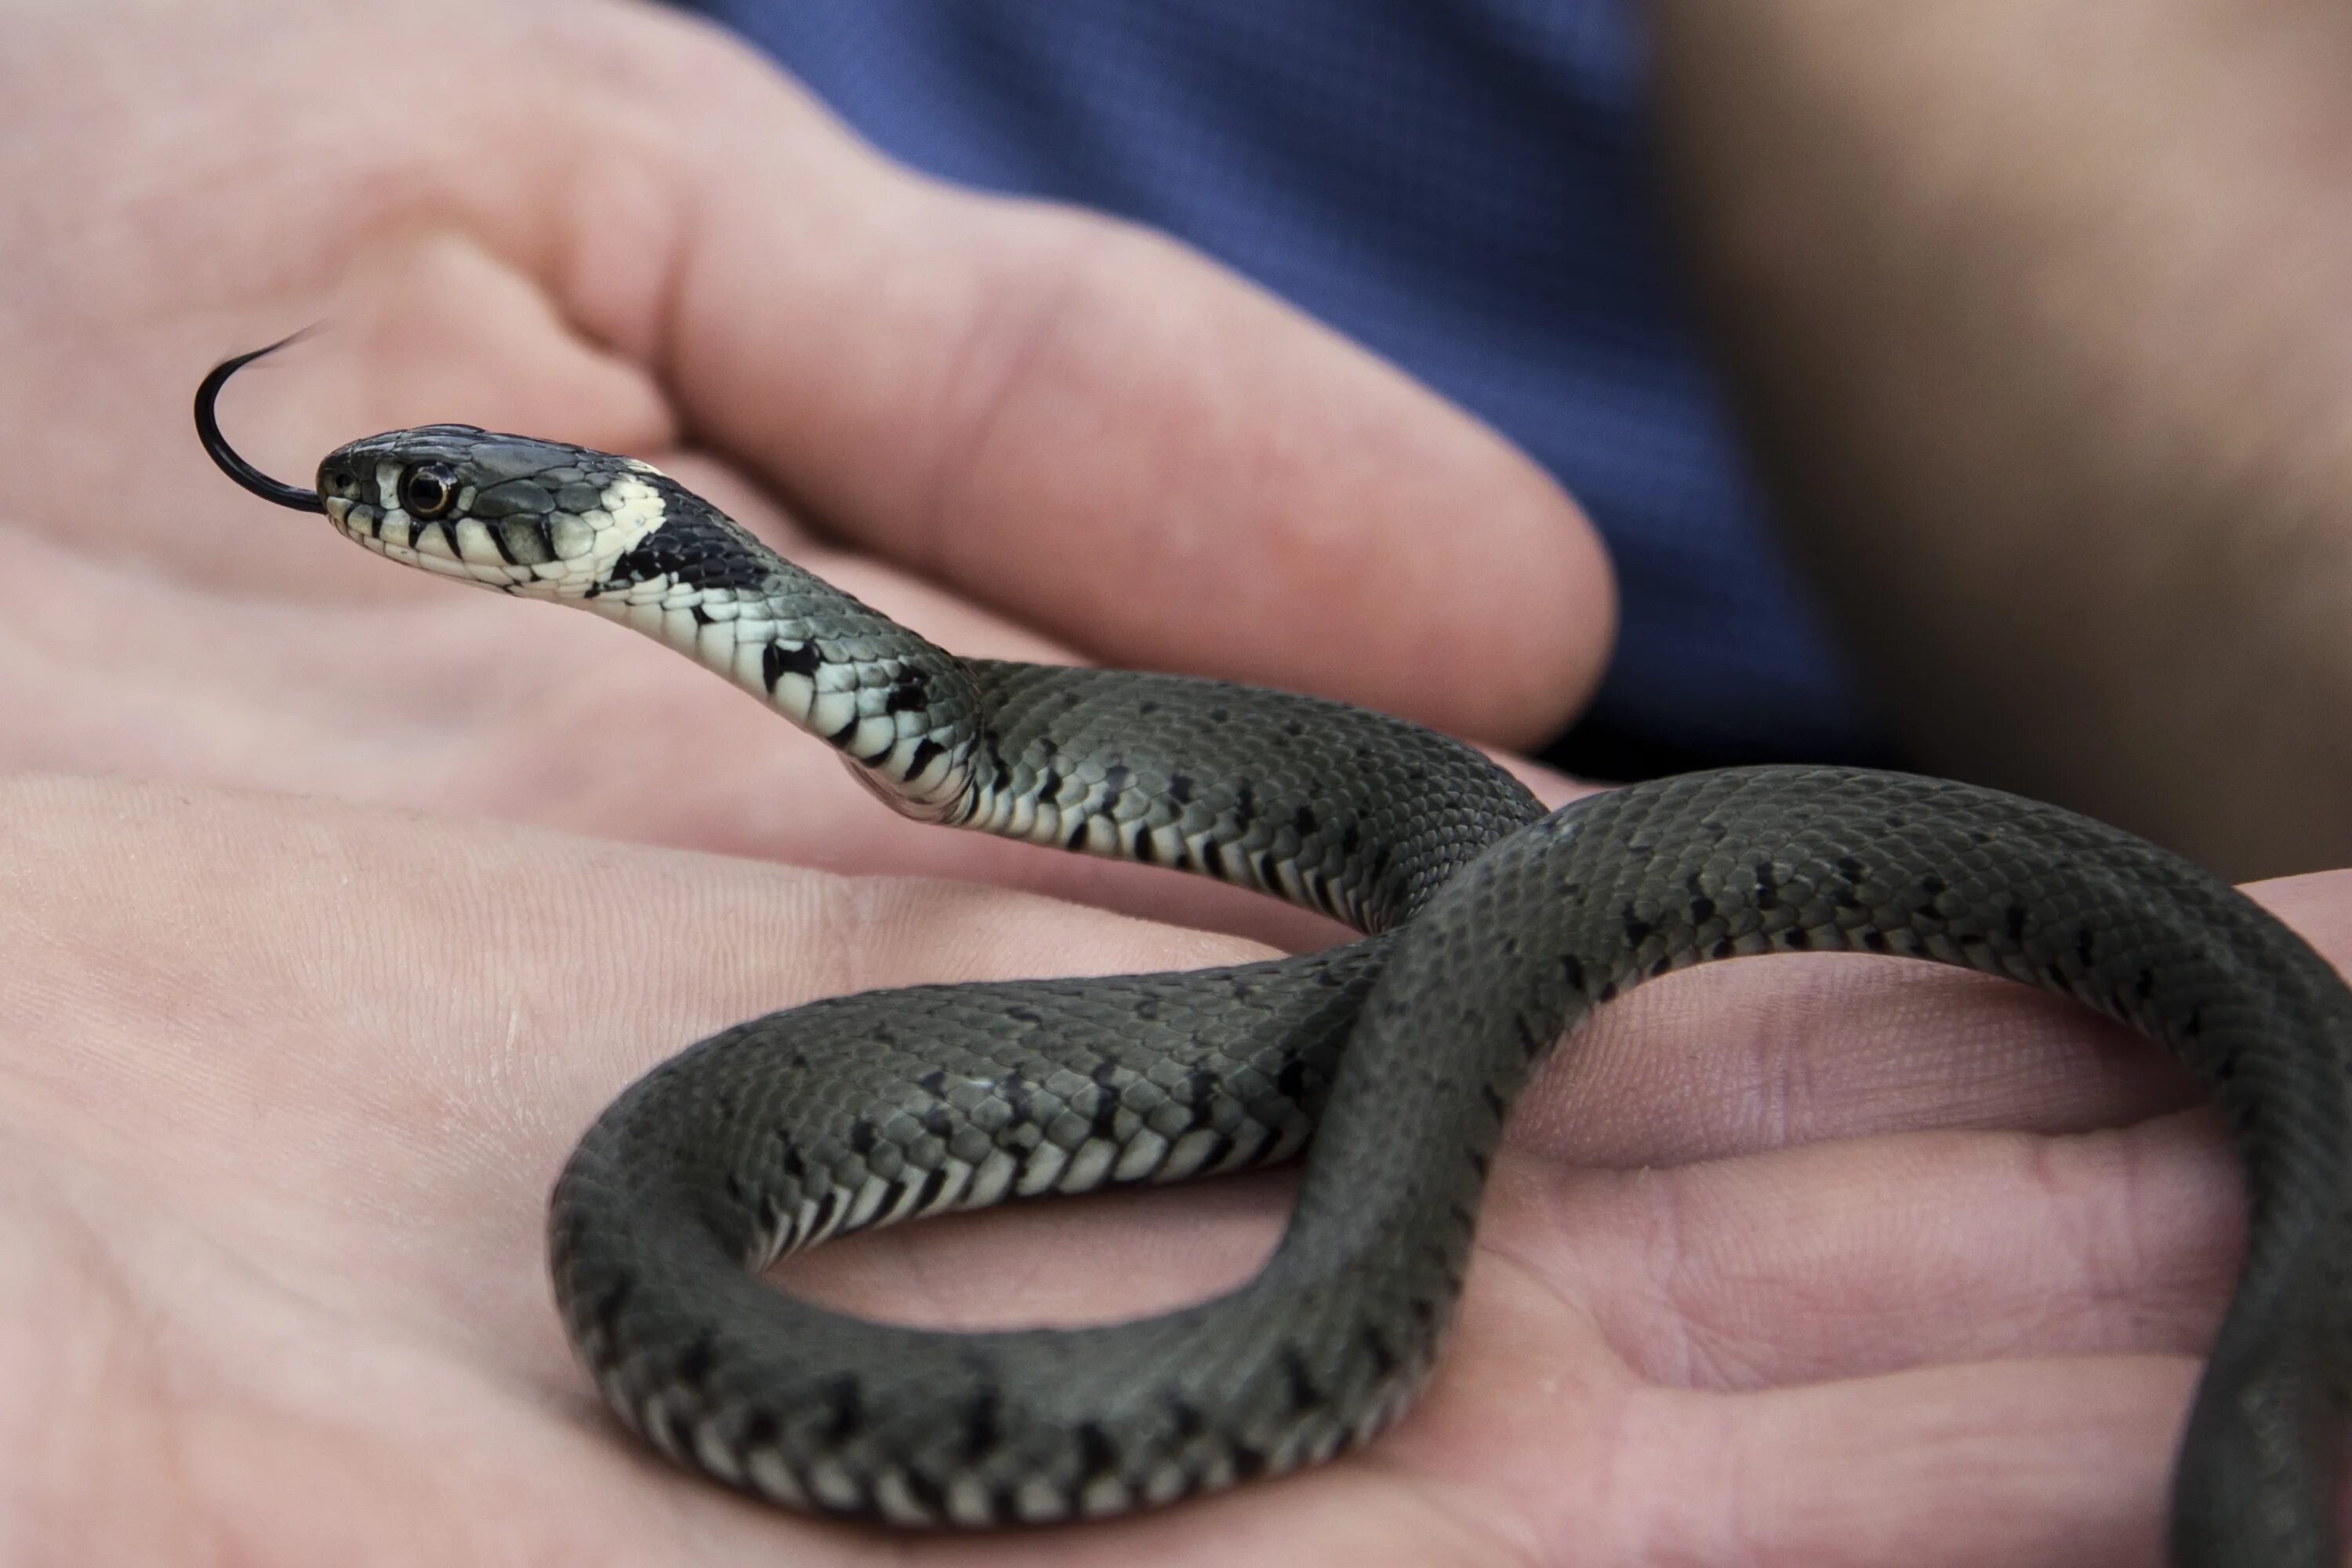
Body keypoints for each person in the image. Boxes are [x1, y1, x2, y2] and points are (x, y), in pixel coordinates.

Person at [1, 1, 2344, 1562]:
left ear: (564, 539)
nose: (398, 509)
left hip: (1749, 647)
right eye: (408, 499)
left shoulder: (873, 668)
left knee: (1487, 863)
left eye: (424, 503)